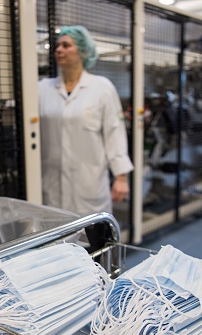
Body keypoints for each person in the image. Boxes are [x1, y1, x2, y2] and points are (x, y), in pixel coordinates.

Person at [38, 25, 134, 247]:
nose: (58, 50)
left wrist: (121, 176)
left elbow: (114, 132)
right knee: (56, 249)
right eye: (57, 46)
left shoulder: (101, 88)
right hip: (51, 185)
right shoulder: (42, 88)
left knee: (95, 249)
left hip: (89, 185)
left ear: (82, 51)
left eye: (66, 45)